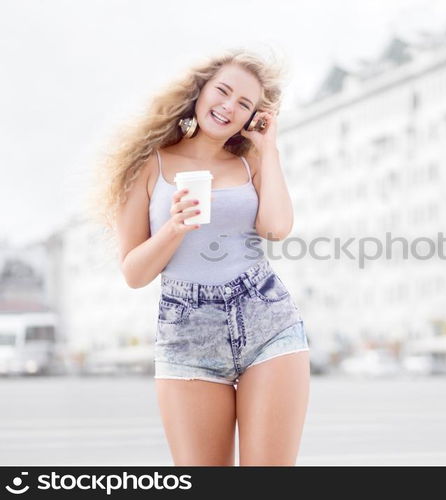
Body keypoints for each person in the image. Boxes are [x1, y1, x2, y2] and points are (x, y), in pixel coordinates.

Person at [88, 48, 310, 466]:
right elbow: (134, 273)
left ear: (252, 116)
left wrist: (269, 148)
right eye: (222, 91)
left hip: (267, 317)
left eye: (244, 103)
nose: (229, 106)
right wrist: (174, 228)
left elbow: (276, 229)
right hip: (187, 331)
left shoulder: (251, 161)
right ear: (200, 90)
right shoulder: (148, 164)